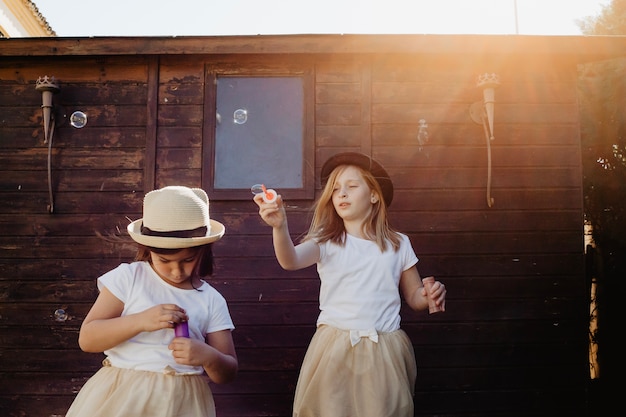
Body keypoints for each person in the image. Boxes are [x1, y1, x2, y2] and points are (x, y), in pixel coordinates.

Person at [253, 152, 446, 417]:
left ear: (374, 195)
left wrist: (428, 294)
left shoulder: (398, 243)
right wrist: (279, 227)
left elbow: (414, 297)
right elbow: (291, 260)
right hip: (335, 347)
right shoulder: (326, 242)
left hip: (384, 349)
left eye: (352, 186)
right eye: (335, 189)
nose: (342, 194)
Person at [66, 186, 238, 417]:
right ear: (146, 250)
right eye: (164, 260)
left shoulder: (211, 300)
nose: (176, 271)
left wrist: (208, 356)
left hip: (182, 404)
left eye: (188, 259)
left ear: (204, 250)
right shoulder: (129, 278)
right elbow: (87, 339)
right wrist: (140, 321)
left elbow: (227, 372)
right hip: (123, 397)